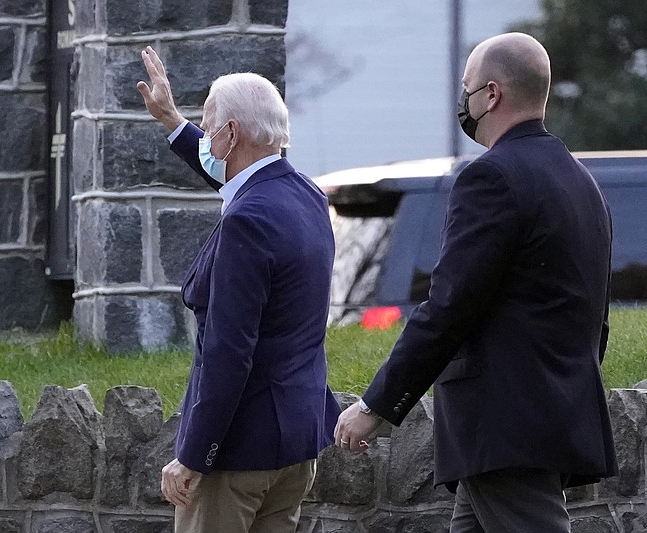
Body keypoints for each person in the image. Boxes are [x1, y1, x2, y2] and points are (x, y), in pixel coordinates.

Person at [334, 32, 618, 532]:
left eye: (466, 88)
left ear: (491, 95)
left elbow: (448, 306)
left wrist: (377, 404)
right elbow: (596, 316)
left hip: (505, 425)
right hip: (544, 418)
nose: (461, 101)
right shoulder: (581, 182)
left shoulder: (490, 178)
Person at [136, 47, 342, 533]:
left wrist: (193, 457)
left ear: (232, 134)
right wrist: (172, 121)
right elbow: (240, 183)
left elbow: (229, 353)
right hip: (294, 446)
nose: (206, 138)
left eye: (209, 128)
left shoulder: (247, 222)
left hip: (238, 455)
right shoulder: (306, 196)